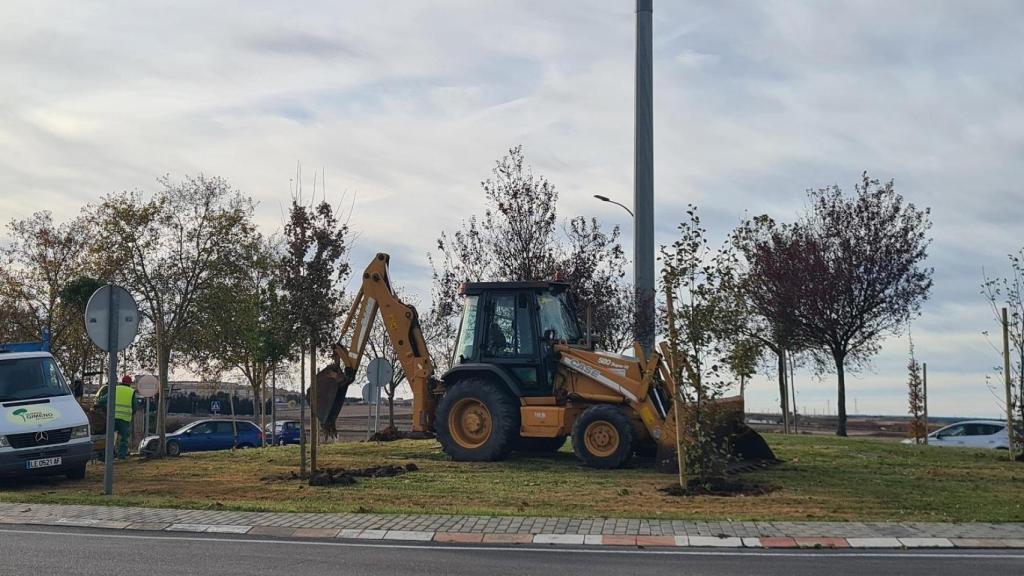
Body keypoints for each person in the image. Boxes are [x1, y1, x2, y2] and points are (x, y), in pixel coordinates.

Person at [96, 376, 141, 460]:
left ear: (122, 381)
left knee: (109, 437)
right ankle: (121, 457)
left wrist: (104, 408)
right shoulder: (131, 392)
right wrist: (131, 413)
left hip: (112, 418)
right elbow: (135, 406)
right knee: (124, 439)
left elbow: (102, 400)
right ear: (130, 383)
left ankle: (107, 456)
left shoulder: (115, 389)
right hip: (124, 419)